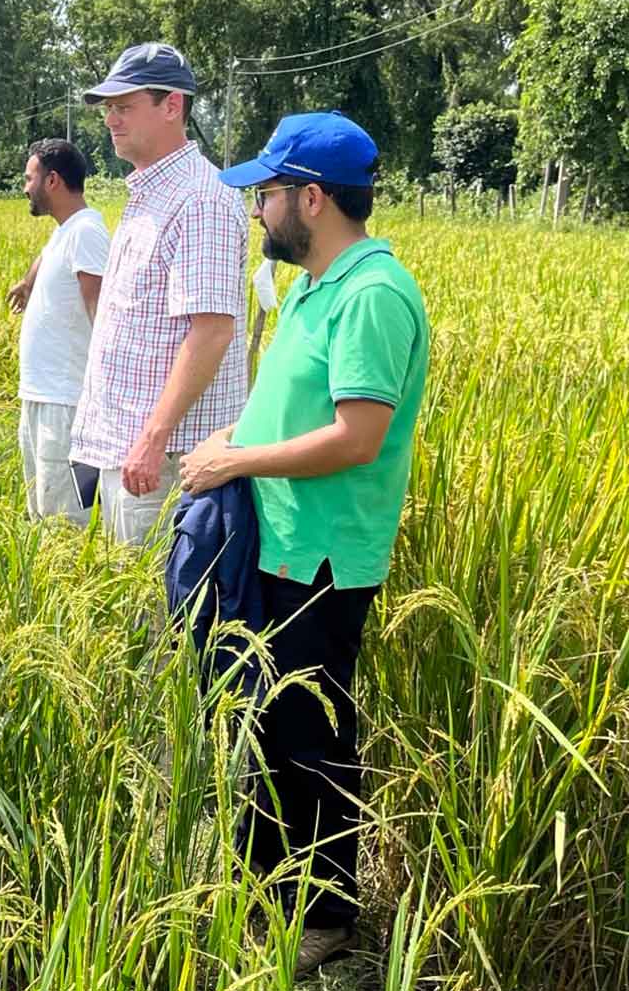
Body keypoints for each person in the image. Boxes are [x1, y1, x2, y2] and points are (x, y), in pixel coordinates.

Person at [179, 113, 430, 974]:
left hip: (323, 559)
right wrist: (227, 450)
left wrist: (239, 455)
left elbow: (357, 436)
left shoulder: (372, 293)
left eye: (268, 193)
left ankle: (323, 916)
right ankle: (266, 891)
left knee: (311, 738)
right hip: (276, 544)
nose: (256, 210)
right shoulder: (315, 288)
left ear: (312, 199)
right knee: (266, 729)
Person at [71, 42, 249, 545]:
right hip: (131, 450)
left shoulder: (200, 199)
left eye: (124, 107)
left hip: (167, 459)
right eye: (108, 108)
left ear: (172, 106)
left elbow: (212, 331)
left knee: (154, 613)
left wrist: (152, 439)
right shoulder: (152, 193)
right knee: (130, 604)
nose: (110, 120)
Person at [6, 138, 108, 522]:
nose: (24, 187)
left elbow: (100, 314)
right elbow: (48, 255)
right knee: (41, 510)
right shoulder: (65, 231)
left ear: (52, 182)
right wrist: (27, 284)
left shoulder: (86, 232)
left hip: (66, 402)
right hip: (41, 395)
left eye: (29, 177)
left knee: (64, 519)